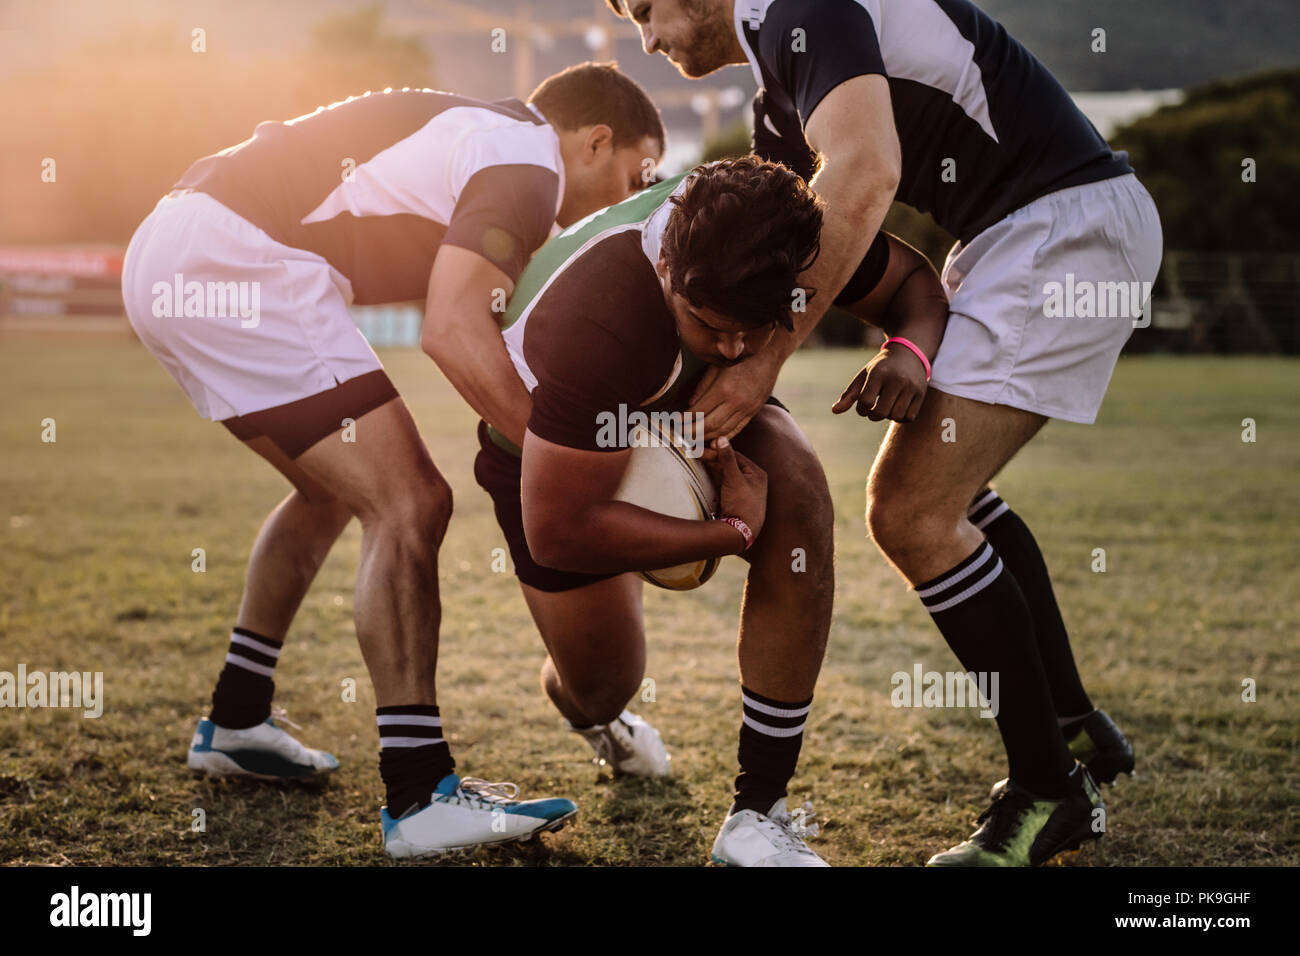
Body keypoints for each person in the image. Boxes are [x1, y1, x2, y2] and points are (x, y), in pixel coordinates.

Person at [607, 0, 1161, 865]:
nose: (646, 39)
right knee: (950, 498)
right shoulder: (776, 96)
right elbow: (767, 253)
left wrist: (759, 371)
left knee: (909, 511)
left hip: (1061, 227)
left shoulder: (805, 9)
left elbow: (864, 173)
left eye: (645, 8)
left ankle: (1050, 789)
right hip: (1029, 231)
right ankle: (1073, 728)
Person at [120, 62, 665, 858]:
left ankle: (236, 718)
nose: (628, 201)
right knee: (412, 503)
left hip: (178, 250)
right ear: (595, 140)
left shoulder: (488, 143)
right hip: (234, 257)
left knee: (327, 492)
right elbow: (451, 329)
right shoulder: (528, 162)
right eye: (632, 177)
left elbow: (499, 327)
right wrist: (572, 462)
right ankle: (418, 796)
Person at [444, 156, 948, 865]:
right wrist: (733, 531)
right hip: (554, 461)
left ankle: (759, 812)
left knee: (798, 487)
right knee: (600, 687)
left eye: (756, 329)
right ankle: (599, 718)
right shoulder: (603, 313)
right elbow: (559, 530)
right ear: (665, 273)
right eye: (711, 326)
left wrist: (907, 356)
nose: (736, 350)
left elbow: (918, 288)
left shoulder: (779, 235)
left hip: (677, 410)